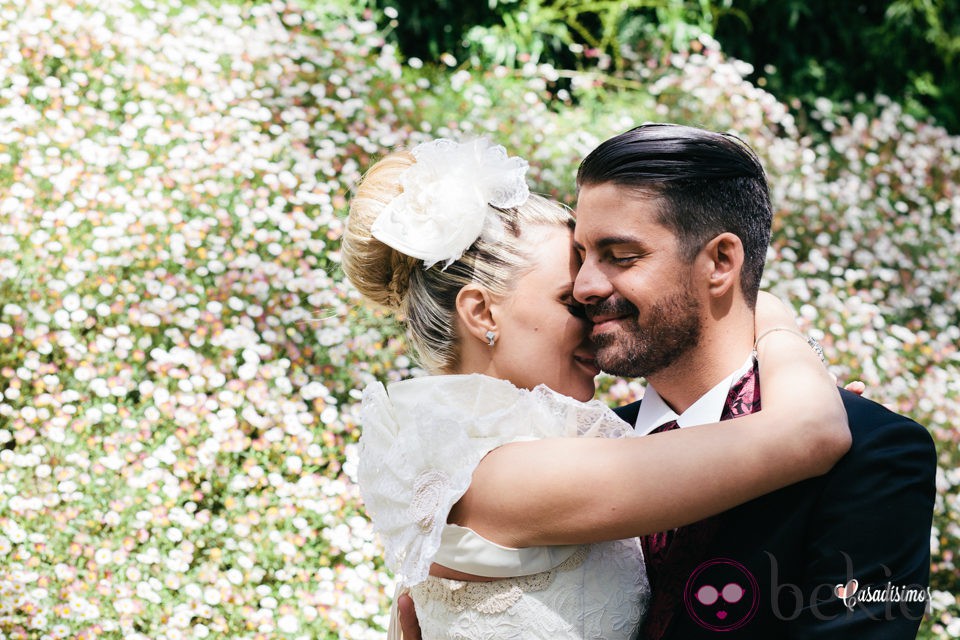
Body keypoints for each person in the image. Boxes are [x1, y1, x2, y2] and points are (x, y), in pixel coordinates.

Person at [341, 137, 852, 640]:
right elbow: (809, 434)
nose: (594, 307)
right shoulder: (503, 473)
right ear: (480, 313)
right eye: (570, 300)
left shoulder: (478, 456)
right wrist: (777, 324)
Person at [570, 123, 937, 639]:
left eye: (621, 256)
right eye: (580, 255)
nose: (584, 285)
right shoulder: (573, 445)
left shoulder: (874, 456)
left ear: (721, 261)